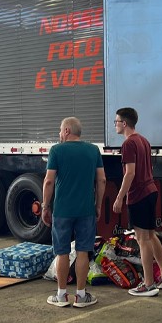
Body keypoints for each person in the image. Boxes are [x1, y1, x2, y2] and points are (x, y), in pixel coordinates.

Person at [42, 117, 106, 308]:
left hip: (62, 210)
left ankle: (61, 296)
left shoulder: (56, 150)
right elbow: (101, 180)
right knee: (83, 252)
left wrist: (45, 206)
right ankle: (81, 296)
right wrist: (98, 205)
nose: (59, 134)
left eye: (60, 130)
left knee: (62, 252)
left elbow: (48, 181)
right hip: (86, 210)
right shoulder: (93, 150)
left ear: (67, 131)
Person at [111, 108, 162, 296]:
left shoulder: (129, 144)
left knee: (142, 239)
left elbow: (130, 173)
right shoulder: (144, 140)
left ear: (124, 123)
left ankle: (148, 284)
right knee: (151, 235)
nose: (115, 125)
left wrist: (120, 197)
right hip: (150, 191)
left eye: (116, 121)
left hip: (138, 194)